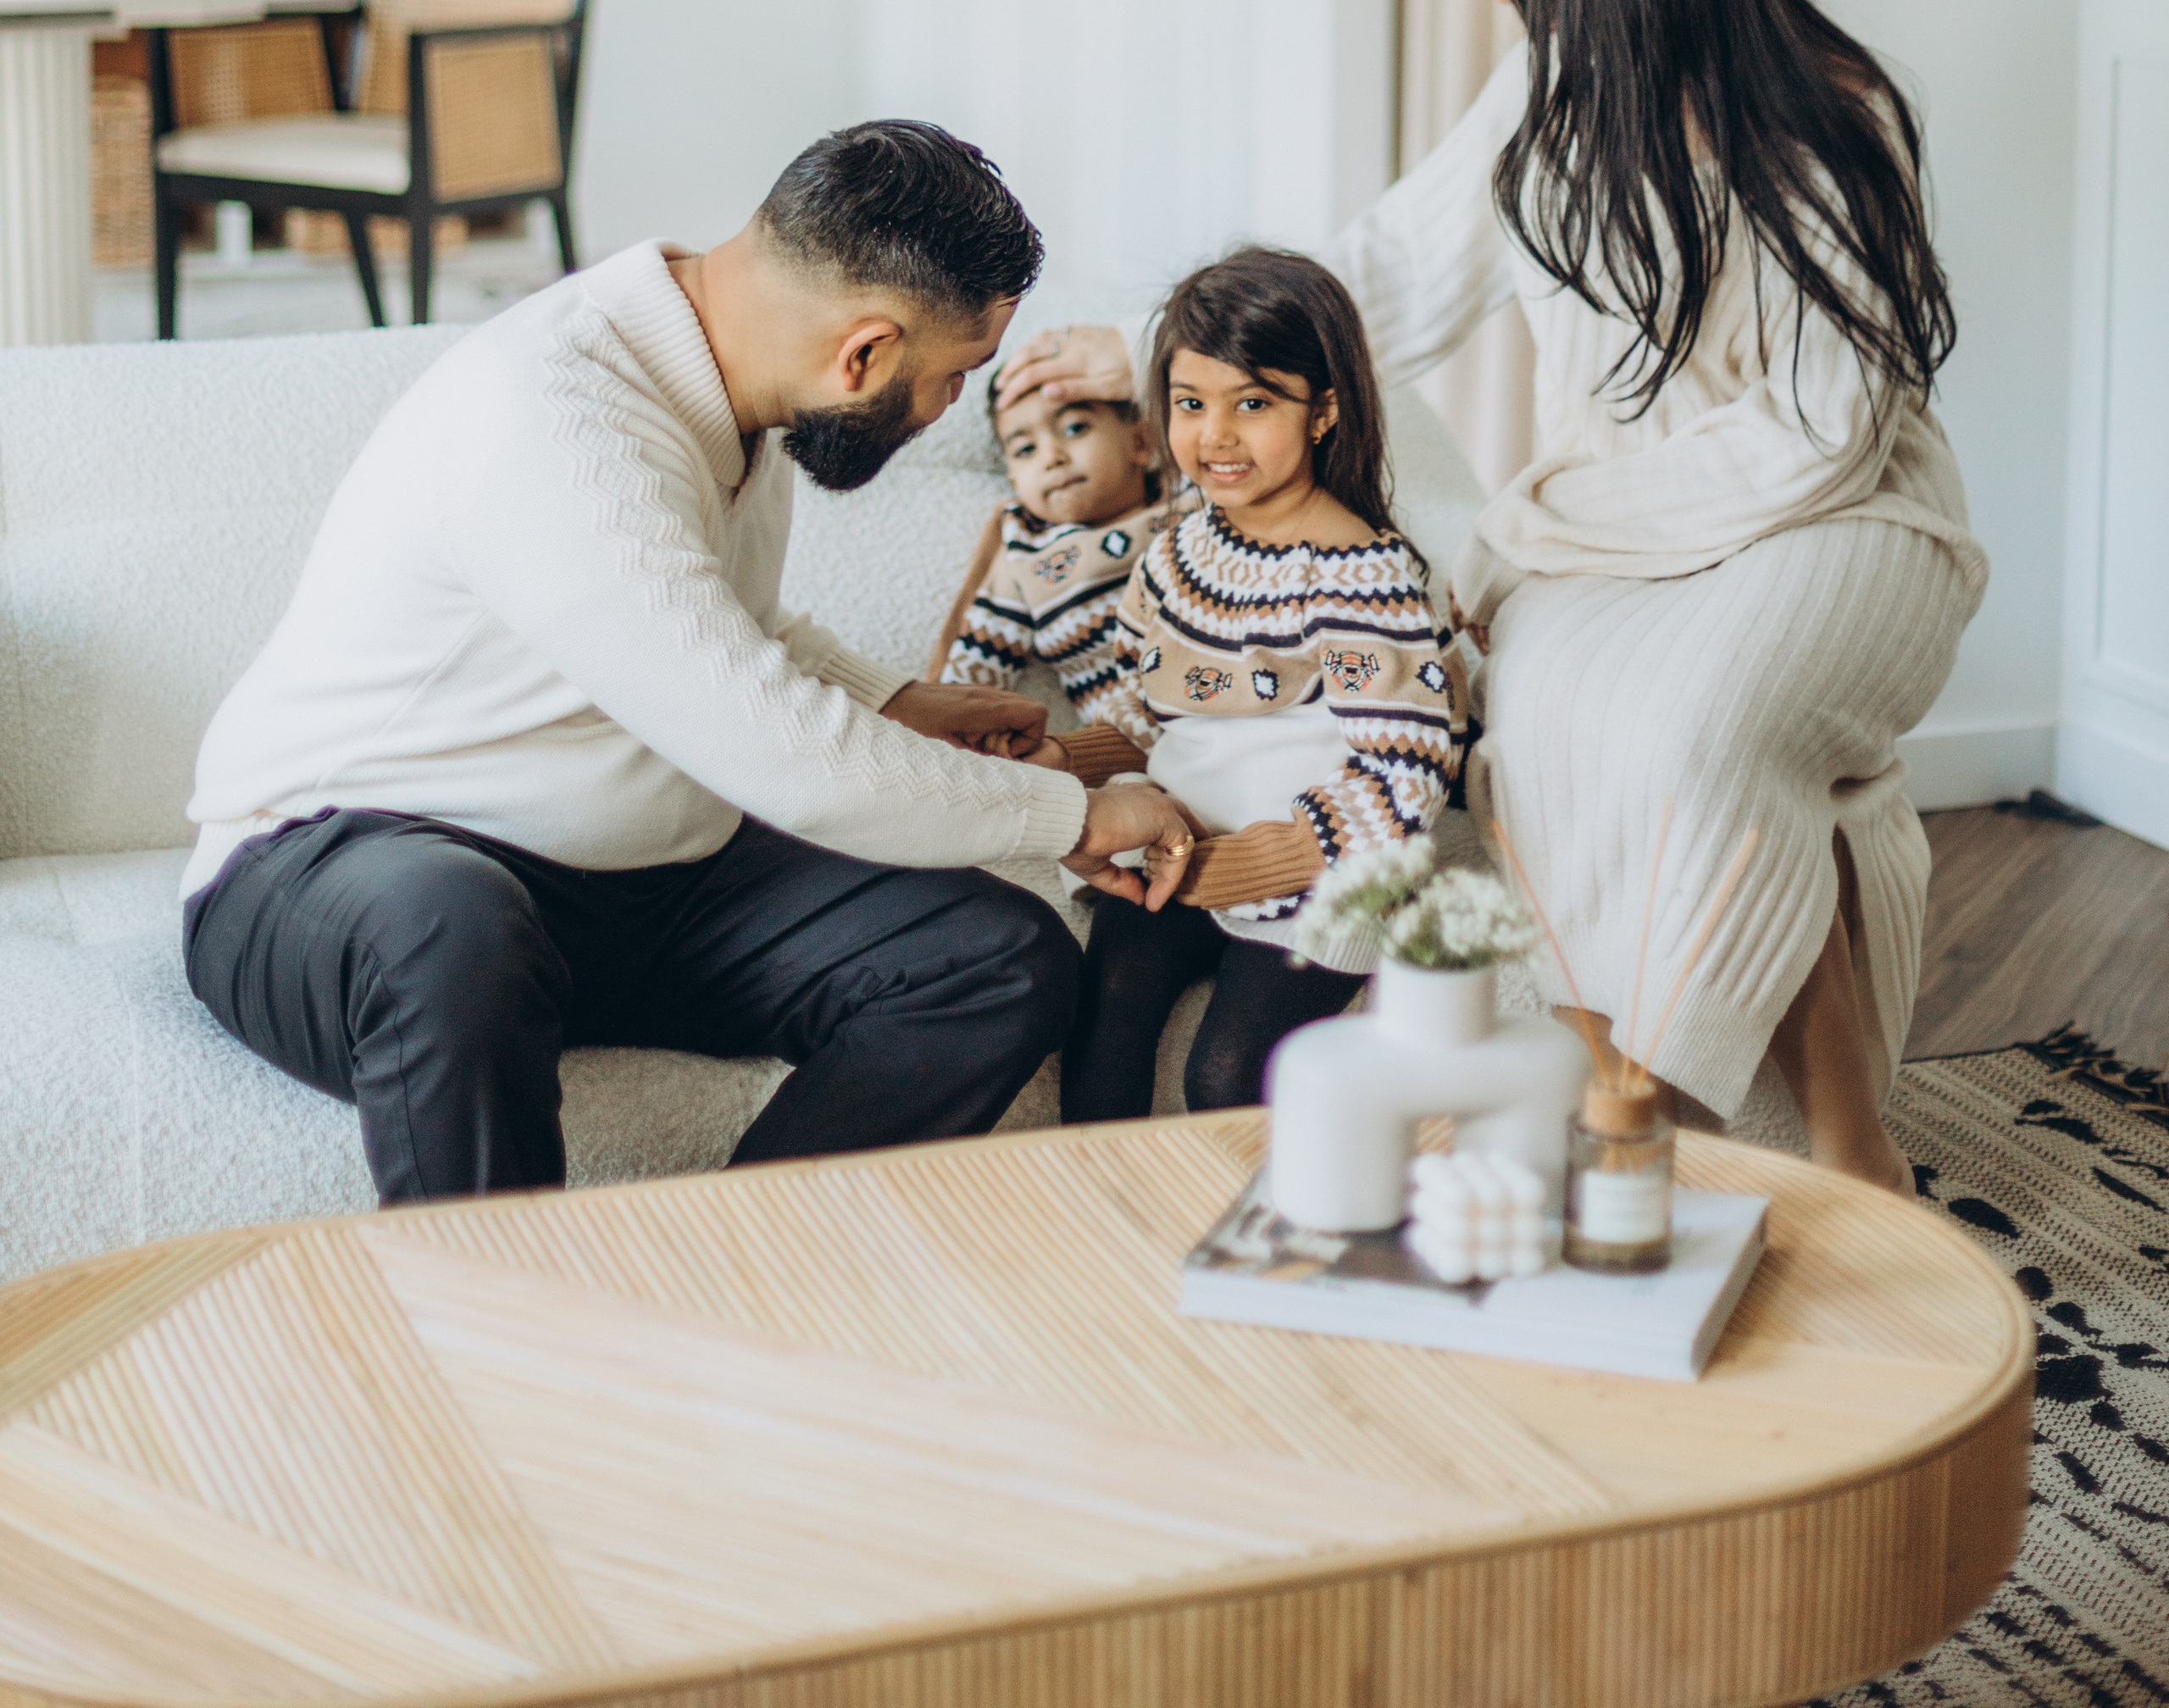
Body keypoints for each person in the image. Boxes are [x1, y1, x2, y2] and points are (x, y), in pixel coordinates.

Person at [1002, 0, 1988, 1190]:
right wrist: (1163, 352)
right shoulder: (1546, 97)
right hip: (1617, 523)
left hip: (1842, 522)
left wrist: (1555, 516)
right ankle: (1624, 1098)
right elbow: (1393, 270)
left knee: (1692, 731)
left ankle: (1849, 1145)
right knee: (1527, 725)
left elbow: (1817, 436)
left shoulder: (1834, 116)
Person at [181, 119, 1196, 1204]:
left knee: (997, 960)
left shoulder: (728, 377)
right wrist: (1074, 818)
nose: (954, 408)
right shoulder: (557, 418)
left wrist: (892, 698)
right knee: (454, 931)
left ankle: (721, 1264)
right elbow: (785, 758)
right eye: (955, 376)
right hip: (340, 866)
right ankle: (502, 1347)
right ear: (862, 352)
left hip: (621, 890)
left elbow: (709, 624)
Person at [1043, 247, 1467, 1123]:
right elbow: (1150, 700)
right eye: (1191, 404)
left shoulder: (1359, 581)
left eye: (1254, 404)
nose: (1215, 435)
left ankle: (1244, 1243)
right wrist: (1063, 755)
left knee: (1228, 1076)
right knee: (1104, 1006)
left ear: (1323, 414)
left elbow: (1400, 785)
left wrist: (1236, 866)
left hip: (1316, 869)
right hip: (1183, 852)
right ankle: (1102, 1216)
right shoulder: (1175, 555)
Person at [924, 365, 1166, 718]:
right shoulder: (1026, 554)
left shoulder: (1191, 496)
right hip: (1129, 743)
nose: (1052, 457)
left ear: (1141, 441)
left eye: (1075, 428)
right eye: (1025, 450)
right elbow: (972, 675)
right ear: (1014, 481)